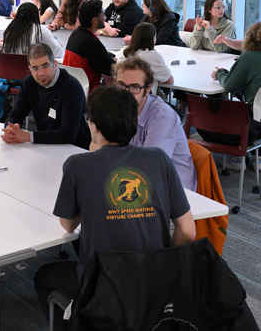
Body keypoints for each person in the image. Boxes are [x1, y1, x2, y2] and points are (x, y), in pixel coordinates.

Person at [33, 86, 195, 328]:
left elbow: (67, 226)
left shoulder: (79, 165)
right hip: (155, 282)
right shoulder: (159, 159)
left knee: (43, 277)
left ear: (94, 125)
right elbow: (188, 232)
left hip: (104, 284)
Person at [207, 22, 261, 169]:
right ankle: (257, 157)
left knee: (228, 108)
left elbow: (228, 85)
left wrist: (219, 73)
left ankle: (238, 159)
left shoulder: (249, 56)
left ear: (249, 39)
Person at [114, 57, 195, 190]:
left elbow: (148, 170)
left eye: (135, 87)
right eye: (121, 85)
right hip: (139, 185)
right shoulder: (119, 108)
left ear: (147, 89)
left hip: (172, 193)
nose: (126, 93)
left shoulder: (162, 117)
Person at [1, 43, 91, 149]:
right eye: (35, 68)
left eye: (45, 66)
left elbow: (68, 134)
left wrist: (28, 137)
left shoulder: (71, 87)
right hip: (45, 145)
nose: (40, 73)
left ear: (55, 64)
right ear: (30, 69)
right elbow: (16, 114)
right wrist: (10, 129)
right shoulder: (29, 83)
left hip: (75, 148)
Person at [63, 0, 114, 92]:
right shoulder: (92, 42)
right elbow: (110, 69)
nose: (105, 18)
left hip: (73, 88)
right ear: (94, 20)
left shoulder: (76, 34)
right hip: (91, 92)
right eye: (103, 15)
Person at [118, 23, 174, 93]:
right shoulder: (152, 56)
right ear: (152, 38)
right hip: (144, 98)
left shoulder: (123, 51)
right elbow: (169, 81)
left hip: (122, 95)